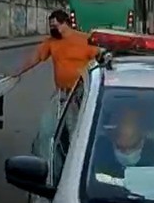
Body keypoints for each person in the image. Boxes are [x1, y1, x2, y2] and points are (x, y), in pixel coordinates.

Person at [16, 9, 100, 157]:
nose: (53, 29)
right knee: (46, 130)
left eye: (56, 26)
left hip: (81, 95)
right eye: (51, 27)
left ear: (66, 23)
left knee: (76, 132)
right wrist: (17, 72)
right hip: (61, 94)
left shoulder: (85, 40)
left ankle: (76, 162)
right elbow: (35, 57)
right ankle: (45, 166)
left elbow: (100, 59)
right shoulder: (51, 43)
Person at [90, 106, 154, 180]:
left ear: (143, 131)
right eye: (117, 123)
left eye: (127, 122)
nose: (121, 127)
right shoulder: (91, 154)